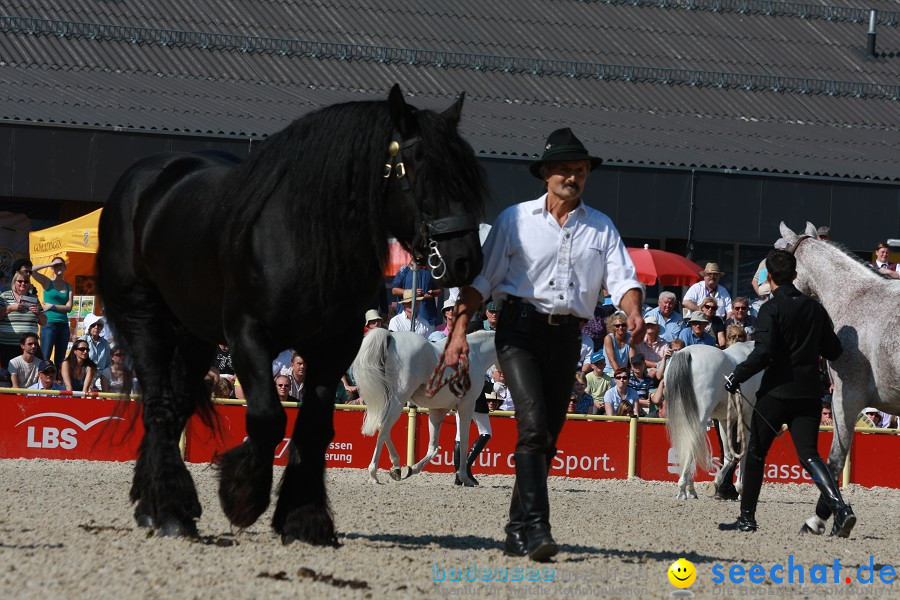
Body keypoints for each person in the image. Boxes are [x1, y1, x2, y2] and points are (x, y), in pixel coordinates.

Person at [445, 127, 644, 562]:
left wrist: (633, 310)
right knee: (533, 427)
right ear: (547, 174)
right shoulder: (514, 219)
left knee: (548, 437)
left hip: (568, 336)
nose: (573, 177)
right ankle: (538, 528)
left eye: (580, 170)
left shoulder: (601, 227)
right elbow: (481, 282)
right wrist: (459, 330)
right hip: (518, 331)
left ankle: (516, 528)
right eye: (565, 170)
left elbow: (624, 279)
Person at [721, 248, 852, 537]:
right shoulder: (815, 309)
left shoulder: (771, 309)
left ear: (769, 276)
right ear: (794, 275)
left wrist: (737, 375)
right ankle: (840, 509)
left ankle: (747, 519)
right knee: (809, 455)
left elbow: (764, 353)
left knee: (755, 453)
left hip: (777, 393)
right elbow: (834, 350)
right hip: (809, 393)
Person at [31, 257, 73, 364]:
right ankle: (41, 379)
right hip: (48, 323)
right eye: (56, 265)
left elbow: (69, 308)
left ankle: (58, 379)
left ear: (65, 268)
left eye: (61, 265)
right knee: (45, 356)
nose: (58, 267)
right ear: (52, 268)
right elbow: (31, 270)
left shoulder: (68, 286)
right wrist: (50, 264)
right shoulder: (47, 282)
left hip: (63, 325)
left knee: (60, 358)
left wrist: (53, 306)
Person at [0, 270, 47, 365]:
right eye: (20, 281)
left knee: (34, 371)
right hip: (8, 344)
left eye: (26, 281)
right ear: (14, 282)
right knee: (9, 374)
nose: (23, 283)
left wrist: (38, 313)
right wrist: (11, 307)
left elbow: (44, 322)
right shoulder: (4, 296)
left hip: (30, 346)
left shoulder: (34, 299)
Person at [391, 260, 442, 326]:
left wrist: (432, 293)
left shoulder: (431, 270)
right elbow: (394, 290)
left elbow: (440, 290)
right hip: (405, 318)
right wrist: (411, 293)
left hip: (427, 318)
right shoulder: (404, 269)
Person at [82, 313, 111, 386]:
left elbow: (108, 362)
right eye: (93, 325)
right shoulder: (82, 341)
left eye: (99, 325)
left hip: (101, 374)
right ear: (89, 327)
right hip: (86, 373)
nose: (96, 327)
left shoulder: (105, 343)